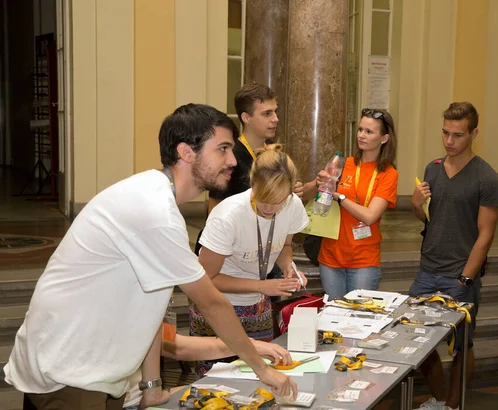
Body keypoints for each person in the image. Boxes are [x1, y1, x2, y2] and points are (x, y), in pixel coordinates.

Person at [5, 104, 296, 410]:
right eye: (223, 149)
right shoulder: (154, 211)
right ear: (186, 152)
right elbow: (212, 303)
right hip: (68, 370)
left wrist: (152, 389)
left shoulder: (155, 198)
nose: (233, 160)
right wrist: (261, 370)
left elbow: (151, 313)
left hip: (94, 369)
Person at [411, 102, 498, 410]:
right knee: (416, 340)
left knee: (462, 345)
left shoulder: (486, 177)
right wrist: (415, 203)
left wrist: (466, 277)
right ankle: (438, 400)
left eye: (458, 135)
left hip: (460, 275)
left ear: (474, 133)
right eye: (445, 133)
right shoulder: (433, 168)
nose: (449, 141)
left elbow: (486, 234)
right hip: (427, 270)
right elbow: (426, 217)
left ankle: (453, 404)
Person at [189, 144, 309, 375]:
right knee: (216, 385)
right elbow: (205, 279)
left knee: (260, 378)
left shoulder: (293, 205)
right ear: (252, 184)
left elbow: (284, 244)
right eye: (263, 198)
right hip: (217, 307)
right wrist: (263, 286)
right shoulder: (228, 216)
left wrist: (288, 267)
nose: (270, 207)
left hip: (257, 307)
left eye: (278, 201)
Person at [200, 83, 303, 288]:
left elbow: (285, 242)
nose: (275, 119)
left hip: (260, 258)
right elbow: (215, 212)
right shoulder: (231, 157)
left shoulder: (272, 156)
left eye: (275, 112)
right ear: (246, 117)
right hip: (227, 258)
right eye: (266, 113)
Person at [303, 108, 398, 298]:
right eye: (360, 129)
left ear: (384, 139)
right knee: (333, 318)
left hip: (363, 260)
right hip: (330, 257)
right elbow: (305, 194)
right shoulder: (342, 163)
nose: (361, 135)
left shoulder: (388, 173)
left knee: (359, 320)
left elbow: (370, 216)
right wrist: (318, 182)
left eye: (369, 132)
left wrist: (339, 196)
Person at [123, 330, 292, 409]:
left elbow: (174, 342)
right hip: (132, 402)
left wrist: (249, 346)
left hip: (142, 396)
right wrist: (246, 348)